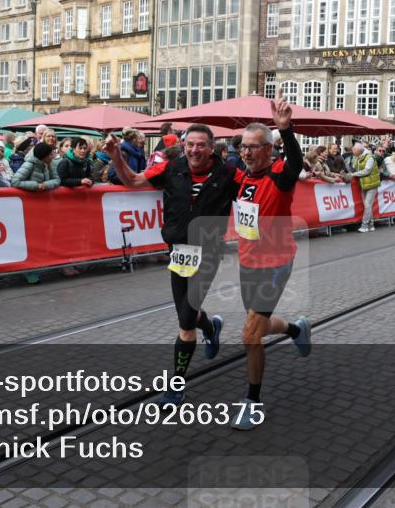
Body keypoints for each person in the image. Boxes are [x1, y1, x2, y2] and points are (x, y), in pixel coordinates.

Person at [105, 122, 238, 405]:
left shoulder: (228, 172)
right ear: (184, 145)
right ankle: (210, 328)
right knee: (186, 315)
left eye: (201, 145)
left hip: (208, 253)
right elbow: (133, 181)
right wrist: (116, 156)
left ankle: (176, 385)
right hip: (178, 252)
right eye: (190, 144)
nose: (194, 150)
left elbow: (257, 192)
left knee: (186, 323)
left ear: (211, 148)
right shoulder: (172, 167)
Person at [230, 95, 311, 430]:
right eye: (243, 147)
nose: (247, 152)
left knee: (250, 334)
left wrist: (286, 130)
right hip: (247, 262)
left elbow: (296, 162)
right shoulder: (240, 178)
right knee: (259, 327)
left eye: (253, 147)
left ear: (268, 149)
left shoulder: (280, 174)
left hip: (276, 262)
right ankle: (296, 329)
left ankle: (252, 401)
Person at [349, 142, 381, 233]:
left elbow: (367, 171)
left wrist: (353, 174)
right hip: (363, 183)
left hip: (372, 183)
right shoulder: (357, 157)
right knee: (367, 205)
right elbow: (354, 167)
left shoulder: (370, 157)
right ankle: (371, 224)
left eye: (354, 151)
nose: (353, 152)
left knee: (367, 205)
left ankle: (365, 225)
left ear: (358, 151)